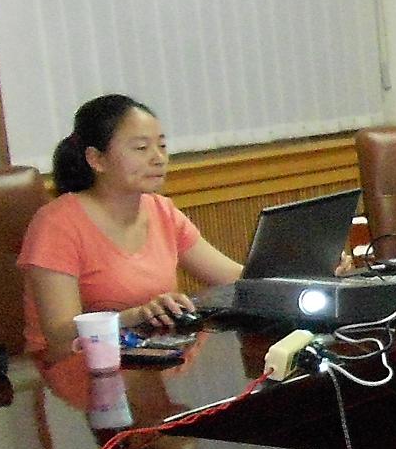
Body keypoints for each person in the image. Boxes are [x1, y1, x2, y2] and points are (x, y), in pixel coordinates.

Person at [18, 95, 245, 355]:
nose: (158, 158)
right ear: (96, 159)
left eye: (162, 146)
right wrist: (136, 316)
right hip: (73, 366)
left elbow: (233, 277)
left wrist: (277, 275)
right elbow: (59, 334)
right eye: (141, 148)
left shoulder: (162, 210)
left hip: (151, 357)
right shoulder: (56, 224)